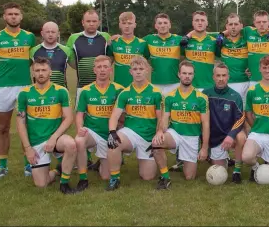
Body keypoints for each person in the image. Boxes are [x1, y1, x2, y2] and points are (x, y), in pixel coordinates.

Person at [0, 2, 37, 179]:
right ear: (4, 17)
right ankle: (2, 166)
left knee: (27, 127)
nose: (13, 16)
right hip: (3, 89)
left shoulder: (29, 37)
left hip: (25, 87)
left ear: (21, 16)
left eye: (16, 14)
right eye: (10, 14)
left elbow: (33, 62)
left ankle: (29, 165)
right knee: (3, 127)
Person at [15, 57, 77, 194]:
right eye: (37, 70)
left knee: (71, 144)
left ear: (50, 72)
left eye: (44, 70)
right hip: (36, 141)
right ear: (33, 73)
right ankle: (56, 171)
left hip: (55, 138)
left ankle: (65, 184)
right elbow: (20, 123)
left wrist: (54, 138)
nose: (40, 73)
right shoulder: (24, 93)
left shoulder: (61, 91)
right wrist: (28, 149)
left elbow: (68, 118)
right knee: (41, 184)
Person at [105, 56, 163, 191]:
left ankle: (144, 157)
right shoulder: (125, 93)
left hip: (148, 137)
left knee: (147, 176)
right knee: (114, 143)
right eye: (135, 69)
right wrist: (112, 132)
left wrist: (158, 134)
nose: (138, 72)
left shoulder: (156, 92)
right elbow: (114, 115)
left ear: (147, 71)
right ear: (130, 72)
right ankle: (114, 178)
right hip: (130, 133)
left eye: (141, 69)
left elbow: (161, 118)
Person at [151, 60, 210, 189]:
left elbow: (206, 124)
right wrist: (160, 132)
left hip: (191, 136)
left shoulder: (201, 97)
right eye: (184, 73)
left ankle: (183, 160)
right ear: (179, 74)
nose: (187, 76)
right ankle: (165, 178)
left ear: (194, 75)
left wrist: (204, 148)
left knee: (190, 177)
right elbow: (164, 119)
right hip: (175, 133)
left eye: (190, 73)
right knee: (156, 143)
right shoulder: (169, 96)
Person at [74, 55, 124, 191]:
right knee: (79, 141)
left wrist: (119, 130)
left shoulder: (119, 90)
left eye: (106, 67)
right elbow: (79, 114)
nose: (102, 70)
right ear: (94, 70)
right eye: (99, 67)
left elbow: (124, 116)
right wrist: (80, 128)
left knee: (106, 177)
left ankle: (101, 162)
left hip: (109, 135)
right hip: (92, 132)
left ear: (111, 70)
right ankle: (83, 179)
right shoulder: (85, 90)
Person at [202, 63, 247, 183]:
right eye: (218, 75)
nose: (221, 79)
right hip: (214, 137)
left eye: (224, 75)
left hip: (229, 135)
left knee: (241, 137)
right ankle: (222, 157)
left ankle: (237, 171)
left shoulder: (235, 96)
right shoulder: (205, 94)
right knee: (219, 169)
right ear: (213, 77)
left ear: (228, 77)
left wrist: (231, 135)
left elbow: (240, 119)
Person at [65, 9, 111, 105]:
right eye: (88, 21)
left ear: (99, 22)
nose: (91, 24)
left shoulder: (106, 37)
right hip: (82, 86)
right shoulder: (73, 38)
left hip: (104, 86)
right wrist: (82, 67)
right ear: (83, 22)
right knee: (81, 115)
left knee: (103, 114)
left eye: (94, 21)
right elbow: (69, 59)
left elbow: (111, 57)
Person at [144, 13, 187, 96]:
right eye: (160, 23)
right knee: (158, 109)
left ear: (170, 25)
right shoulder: (149, 39)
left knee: (173, 109)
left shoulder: (178, 39)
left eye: (165, 23)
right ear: (156, 26)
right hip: (156, 83)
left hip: (175, 83)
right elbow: (134, 44)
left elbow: (185, 55)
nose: (162, 25)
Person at [107, 12, 149, 88]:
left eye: (130, 23)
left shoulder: (142, 44)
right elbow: (108, 63)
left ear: (135, 25)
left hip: (138, 87)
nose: (127, 26)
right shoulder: (113, 43)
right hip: (118, 86)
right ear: (120, 25)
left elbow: (148, 63)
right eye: (124, 23)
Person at [217, 13, 251, 104]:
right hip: (228, 83)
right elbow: (202, 33)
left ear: (241, 26)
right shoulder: (221, 40)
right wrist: (221, 34)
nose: (233, 27)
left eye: (236, 24)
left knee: (247, 114)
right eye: (230, 24)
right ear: (226, 26)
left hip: (247, 82)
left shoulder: (247, 39)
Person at [30, 21, 74, 87]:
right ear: (42, 33)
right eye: (47, 32)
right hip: (39, 93)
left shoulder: (66, 50)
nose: (50, 34)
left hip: (60, 92)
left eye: (53, 32)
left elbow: (77, 67)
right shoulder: (33, 51)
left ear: (58, 34)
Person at [183, 11, 219, 91]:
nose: (200, 23)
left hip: (209, 86)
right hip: (190, 87)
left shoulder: (213, 40)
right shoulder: (185, 41)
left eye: (202, 20)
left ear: (207, 23)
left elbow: (228, 32)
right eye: (197, 20)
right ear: (192, 23)